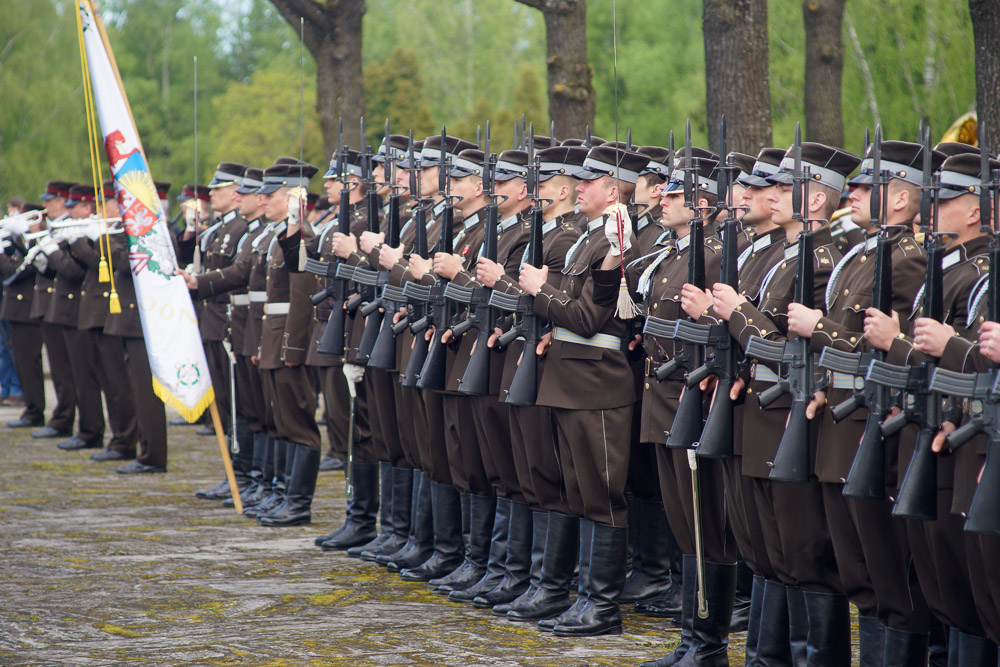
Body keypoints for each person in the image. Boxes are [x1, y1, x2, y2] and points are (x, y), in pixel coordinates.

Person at [517, 144, 649, 637]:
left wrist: (539, 290)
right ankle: (584, 598)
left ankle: (602, 607)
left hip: (597, 380)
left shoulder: (615, 242)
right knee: (578, 493)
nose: (578, 188)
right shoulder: (588, 240)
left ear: (612, 191)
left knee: (602, 495)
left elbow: (591, 318)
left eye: (589, 182)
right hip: (570, 377)